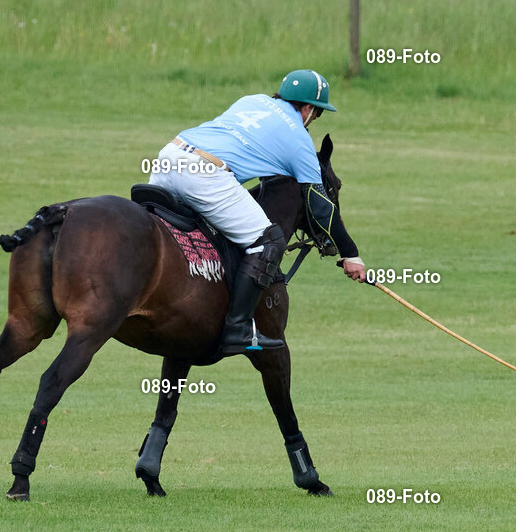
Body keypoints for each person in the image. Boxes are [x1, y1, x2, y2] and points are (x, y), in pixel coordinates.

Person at [148, 69, 366, 355]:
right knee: (269, 240)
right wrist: (349, 253)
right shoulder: (299, 139)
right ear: (309, 109)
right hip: (204, 176)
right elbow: (320, 203)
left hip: (168, 157)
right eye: (318, 114)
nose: (314, 120)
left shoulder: (252, 100)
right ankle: (237, 328)